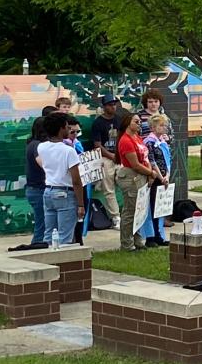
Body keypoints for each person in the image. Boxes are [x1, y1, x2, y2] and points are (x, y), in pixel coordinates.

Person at [36, 112, 85, 245]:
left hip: (48, 191)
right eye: (67, 127)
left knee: (49, 233)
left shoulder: (42, 147)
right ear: (61, 128)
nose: (69, 130)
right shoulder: (68, 151)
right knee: (64, 236)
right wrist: (80, 204)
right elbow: (76, 180)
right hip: (65, 192)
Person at [115, 111, 159, 252]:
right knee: (130, 211)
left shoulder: (137, 137)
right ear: (128, 123)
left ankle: (138, 240)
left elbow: (145, 158)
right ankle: (127, 244)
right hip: (130, 176)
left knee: (139, 210)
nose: (139, 124)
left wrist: (150, 174)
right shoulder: (125, 140)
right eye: (136, 121)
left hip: (142, 175)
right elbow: (135, 164)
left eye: (140, 122)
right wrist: (151, 173)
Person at [90, 95, 122, 228]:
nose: (113, 107)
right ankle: (115, 217)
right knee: (108, 189)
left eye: (114, 104)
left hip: (119, 156)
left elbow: (122, 139)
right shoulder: (98, 122)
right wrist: (111, 156)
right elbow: (97, 145)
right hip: (105, 156)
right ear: (104, 106)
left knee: (128, 183)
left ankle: (128, 214)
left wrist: (120, 155)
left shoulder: (118, 120)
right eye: (110, 104)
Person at [142, 113, 173, 247]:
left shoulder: (163, 141)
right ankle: (151, 236)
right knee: (153, 207)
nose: (164, 127)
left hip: (164, 177)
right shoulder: (150, 142)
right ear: (153, 127)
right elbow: (152, 162)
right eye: (161, 125)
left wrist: (167, 176)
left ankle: (159, 234)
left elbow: (168, 160)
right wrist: (161, 177)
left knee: (160, 208)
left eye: (164, 125)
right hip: (155, 178)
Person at [22, 118, 48, 247]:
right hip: (38, 189)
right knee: (42, 224)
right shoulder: (37, 145)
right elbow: (43, 164)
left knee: (42, 223)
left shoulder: (32, 143)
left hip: (34, 189)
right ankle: (36, 247)